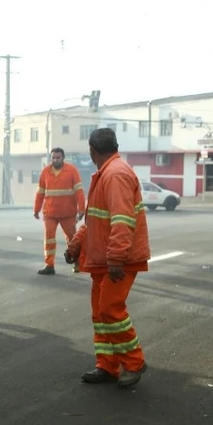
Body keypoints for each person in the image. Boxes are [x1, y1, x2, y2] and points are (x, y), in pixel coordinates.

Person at [64, 127, 151, 388]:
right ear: (115, 146)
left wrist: (115, 258)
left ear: (92, 151)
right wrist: (76, 245)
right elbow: (94, 221)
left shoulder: (115, 174)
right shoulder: (107, 173)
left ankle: (134, 363)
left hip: (117, 260)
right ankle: (107, 365)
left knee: (110, 310)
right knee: (100, 315)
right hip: (103, 259)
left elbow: (122, 220)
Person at [33, 147, 86, 275]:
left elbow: (79, 191)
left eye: (58, 158)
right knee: (49, 239)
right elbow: (40, 192)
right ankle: (49, 265)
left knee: (72, 239)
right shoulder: (45, 172)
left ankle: (77, 262)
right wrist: (36, 209)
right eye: (53, 158)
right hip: (50, 213)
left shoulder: (72, 171)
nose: (55, 160)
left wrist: (81, 209)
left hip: (68, 213)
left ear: (63, 158)